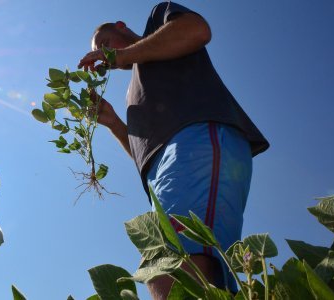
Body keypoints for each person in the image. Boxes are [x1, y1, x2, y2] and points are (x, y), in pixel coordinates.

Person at [78, 2, 269, 299]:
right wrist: (113, 121)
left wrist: (121, 54)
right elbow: (147, 155)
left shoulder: (159, 22)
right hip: (162, 173)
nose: (104, 55)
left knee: (171, 267)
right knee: (171, 270)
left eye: (105, 43)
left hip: (198, 141)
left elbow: (197, 29)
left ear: (121, 26)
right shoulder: (132, 92)